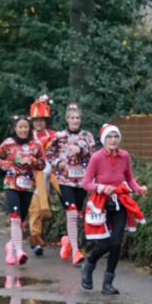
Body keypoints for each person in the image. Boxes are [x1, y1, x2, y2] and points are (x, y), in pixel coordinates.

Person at [80, 124, 148, 294]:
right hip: (101, 203)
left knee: (117, 243)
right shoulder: (96, 157)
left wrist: (139, 189)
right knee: (104, 243)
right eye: (109, 137)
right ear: (104, 140)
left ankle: (108, 283)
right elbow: (86, 183)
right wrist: (102, 188)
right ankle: (89, 264)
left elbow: (129, 179)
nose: (113, 140)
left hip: (120, 202)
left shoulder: (124, 156)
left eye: (116, 137)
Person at [0, 115, 46, 265]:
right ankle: (19, 251)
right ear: (15, 128)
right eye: (20, 127)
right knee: (15, 216)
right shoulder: (8, 143)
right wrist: (9, 165)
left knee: (21, 219)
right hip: (11, 184)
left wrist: (32, 160)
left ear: (29, 129)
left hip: (28, 185)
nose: (23, 130)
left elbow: (43, 164)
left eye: (26, 127)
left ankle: (11, 246)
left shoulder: (36, 145)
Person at [47, 102, 96, 265]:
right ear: (67, 119)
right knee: (72, 212)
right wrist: (58, 162)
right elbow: (49, 154)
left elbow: (94, 156)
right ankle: (76, 251)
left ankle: (68, 240)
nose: (75, 120)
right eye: (72, 118)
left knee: (78, 215)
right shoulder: (59, 136)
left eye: (78, 118)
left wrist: (81, 151)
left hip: (82, 181)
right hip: (65, 180)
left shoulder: (87, 136)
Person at [27, 95, 58, 256]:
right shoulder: (27, 135)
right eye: (36, 120)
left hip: (51, 174)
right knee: (35, 208)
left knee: (67, 201)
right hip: (32, 176)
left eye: (42, 119)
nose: (39, 123)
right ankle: (35, 239)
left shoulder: (54, 135)